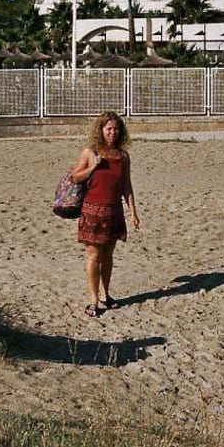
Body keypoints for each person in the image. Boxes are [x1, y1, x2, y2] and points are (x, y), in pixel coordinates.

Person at [70, 111, 140, 317]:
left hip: (114, 212)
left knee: (108, 256)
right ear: (101, 130)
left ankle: (105, 295)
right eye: (109, 128)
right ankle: (93, 301)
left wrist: (133, 212)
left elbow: (126, 185)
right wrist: (92, 167)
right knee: (94, 255)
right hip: (92, 211)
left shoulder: (123, 156)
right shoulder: (90, 152)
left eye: (116, 129)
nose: (113, 132)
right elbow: (75, 177)